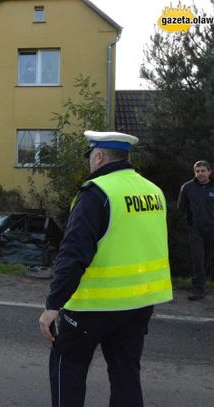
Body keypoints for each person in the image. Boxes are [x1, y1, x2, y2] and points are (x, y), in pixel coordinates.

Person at [38, 131, 173, 407]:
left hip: (92, 306)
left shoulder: (97, 193)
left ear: (99, 157)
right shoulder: (153, 191)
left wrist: (54, 304)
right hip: (139, 304)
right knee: (126, 376)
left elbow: (73, 253)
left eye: (91, 156)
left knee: (68, 368)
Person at [177, 160, 214, 301]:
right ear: (194, 173)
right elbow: (181, 207)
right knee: (198, 258)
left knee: (207, 259)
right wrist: (190, 223)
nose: (200, 174)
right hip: (195, 230)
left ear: (209, 172)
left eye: (203, 170)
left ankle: (203, 285)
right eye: (197, 171)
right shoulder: (187, 187)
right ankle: (198, 290)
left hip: (212, 229)